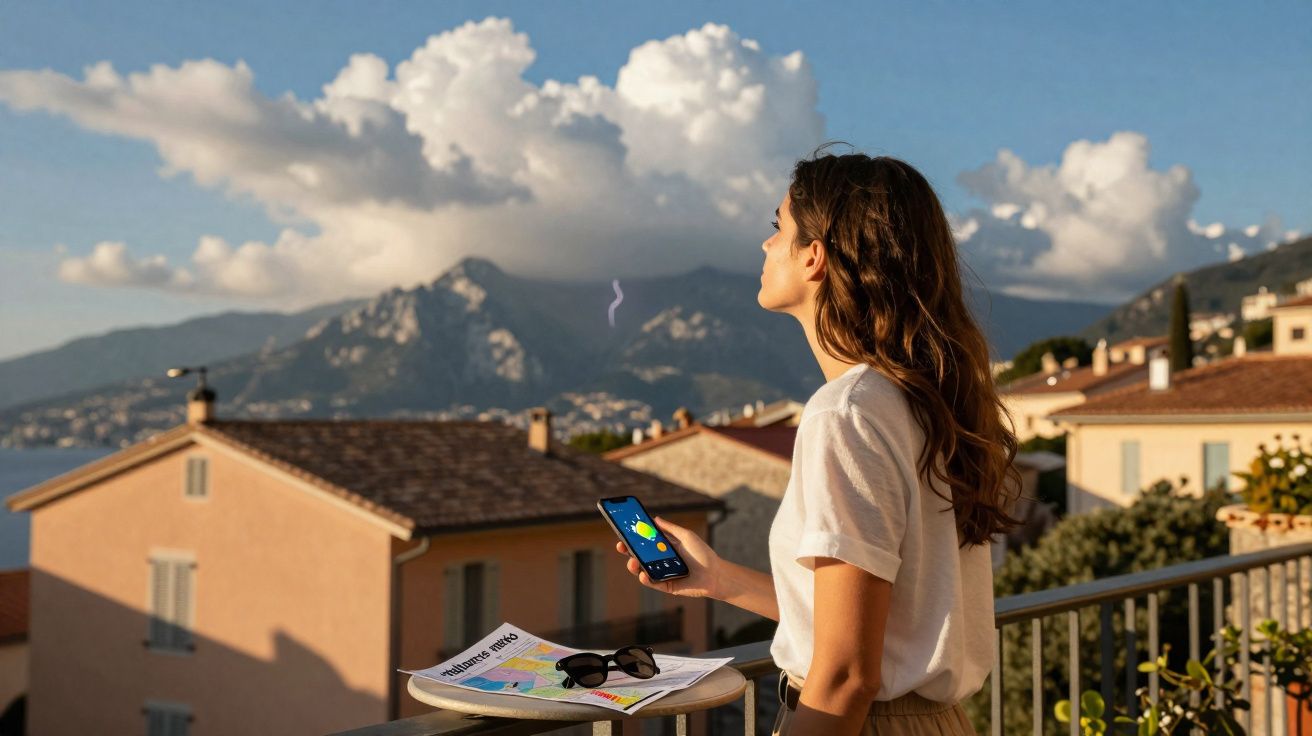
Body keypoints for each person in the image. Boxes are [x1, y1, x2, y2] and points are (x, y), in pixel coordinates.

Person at [615, 149, 1020, 736]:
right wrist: (721, 579)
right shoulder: (920, 401)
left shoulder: (846, 413)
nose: (765, 246)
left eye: (776, 227)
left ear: (814, 257)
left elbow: (847, 674)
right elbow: (867, 627)